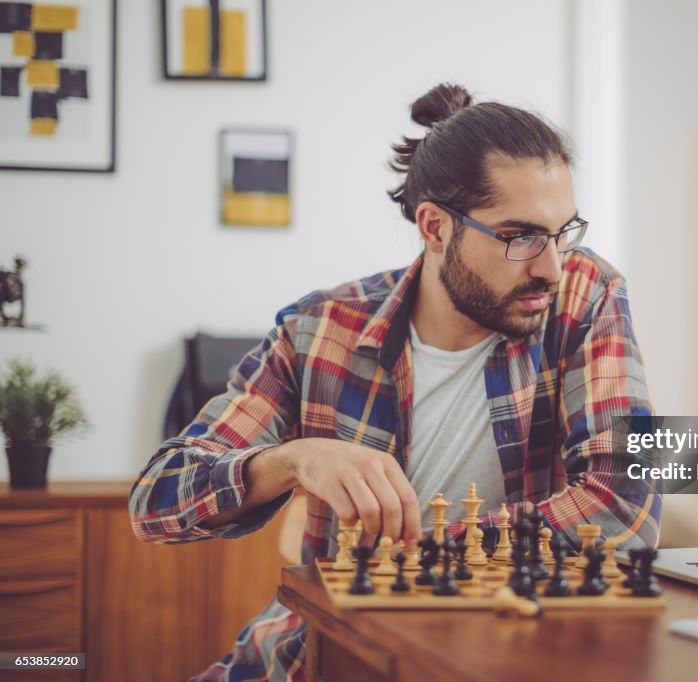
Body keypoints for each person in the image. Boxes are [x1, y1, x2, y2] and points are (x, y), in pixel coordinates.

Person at [129, 82, 660, 681]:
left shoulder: (585, 296)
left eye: (564, 232)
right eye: (521, 237)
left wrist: (415, 557)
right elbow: (156, 501)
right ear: (434, 228)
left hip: (515, 654)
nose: (551, 266)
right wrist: (294, 460)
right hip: (327, 655)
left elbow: (623, 505)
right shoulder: (319, 331)